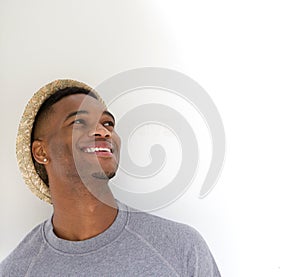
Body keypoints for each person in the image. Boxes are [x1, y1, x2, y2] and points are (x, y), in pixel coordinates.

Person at [0, 79, 221, 276]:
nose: (104, 131)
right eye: (78, 122)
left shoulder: (180, 247)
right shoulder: (18, 270)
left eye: (108, 123)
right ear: (41, 152)